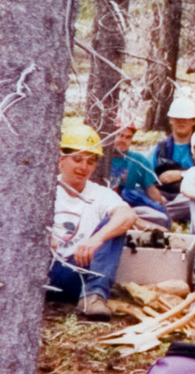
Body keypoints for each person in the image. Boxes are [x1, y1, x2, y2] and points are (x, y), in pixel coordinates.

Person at [50, 123, 137, 320]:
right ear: (62, 159)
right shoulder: (46, 189)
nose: (83, 167)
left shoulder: (99, 193)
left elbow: (128, 216)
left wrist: (96, 239)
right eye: (77, 159)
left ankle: (93, 296)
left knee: (114, 223)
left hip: (80, 274)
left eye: (90, 162)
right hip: (45, 272)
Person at [109, 115, 170, 228]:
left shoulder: (137, 160)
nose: (123, 140)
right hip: (104, 207)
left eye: (128, 137)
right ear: (111, 135)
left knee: (161, 218)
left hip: (130, 208)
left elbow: (151, 190)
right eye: (120, 135)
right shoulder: (100, 158)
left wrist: (163, 210)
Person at [148, 95, 195, 222]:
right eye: (177, 119)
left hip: (187, 196)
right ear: (171, 120)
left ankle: (162, 216)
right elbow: (144, 174)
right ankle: (163, 213)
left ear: (193, 121)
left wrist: (182, 174)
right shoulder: (159, 148)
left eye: (186, 119)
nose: (181, 122)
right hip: (162, 195)